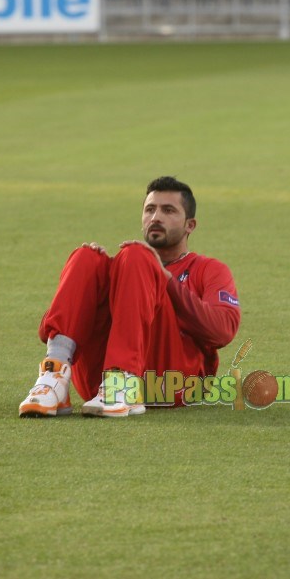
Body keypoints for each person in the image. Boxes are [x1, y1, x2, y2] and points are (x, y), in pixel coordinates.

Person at [19, 177, 241, 418]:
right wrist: (93, 282)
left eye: (168, 210)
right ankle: (54, 377)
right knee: (86, 257)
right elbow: (46, 331)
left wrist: (165, 279)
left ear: (190, 225)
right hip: (97, 384)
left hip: (170, 383)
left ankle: (121, 381)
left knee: (136, 255)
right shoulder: (124, 267)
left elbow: (223, 330)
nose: (156, 217)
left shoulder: (208, 268)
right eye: (150, 209)